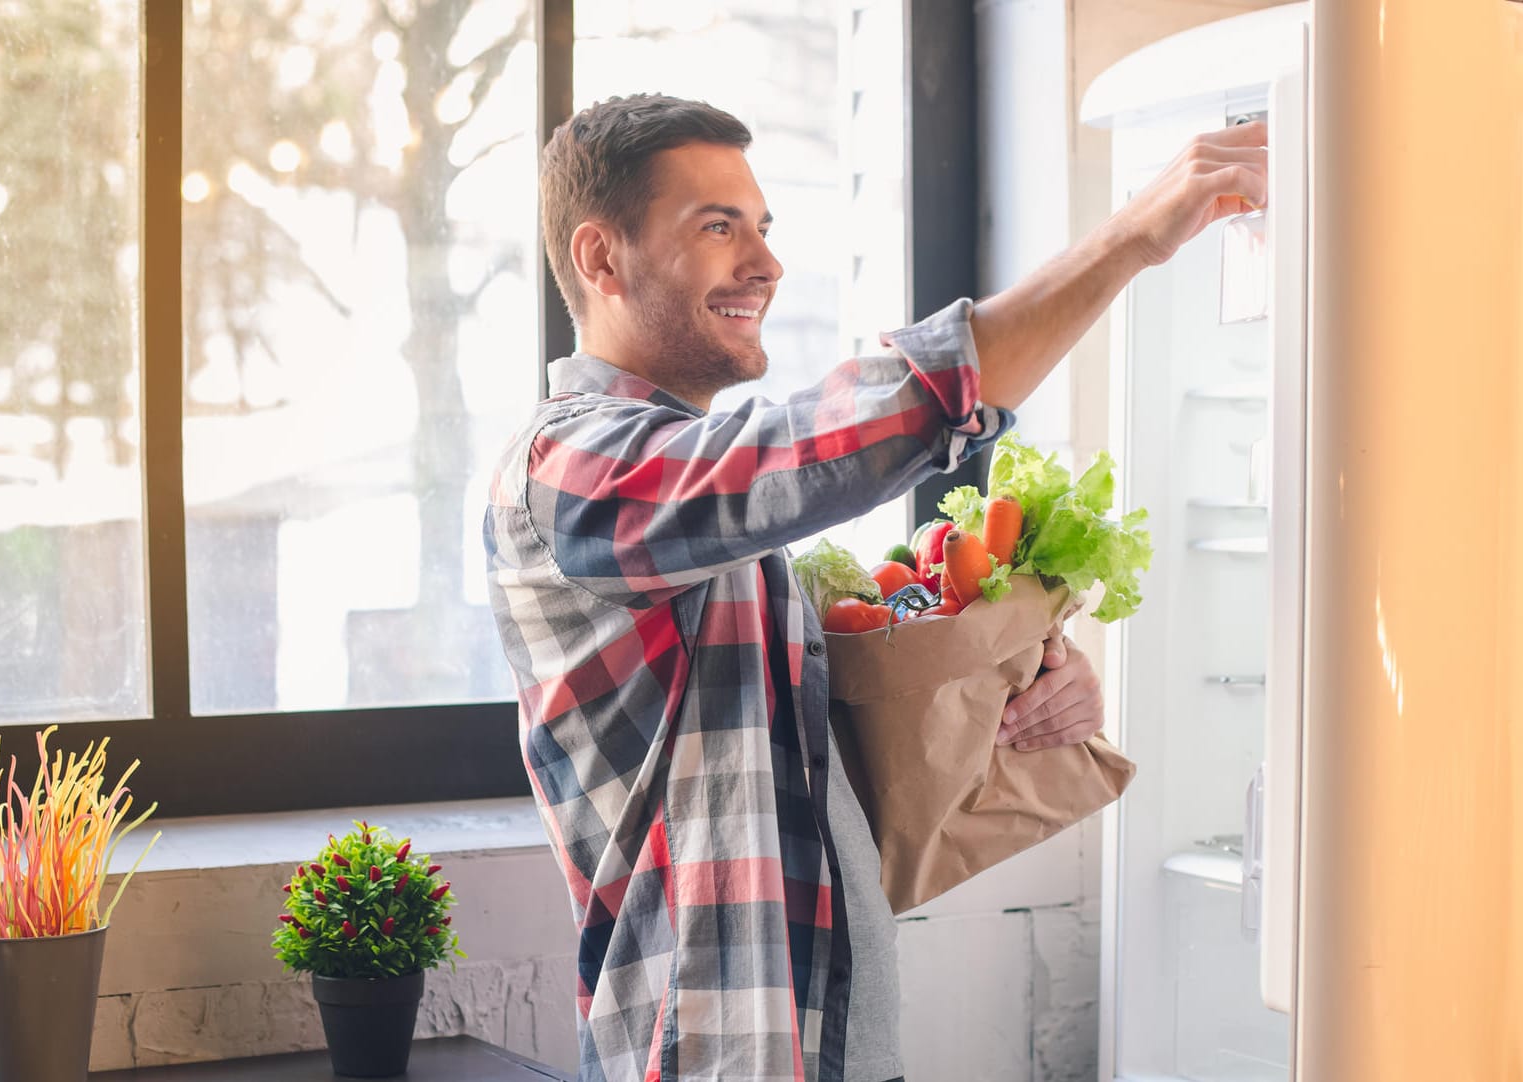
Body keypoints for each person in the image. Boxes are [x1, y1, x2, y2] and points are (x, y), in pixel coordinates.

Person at [483, 93, 1266, 1082]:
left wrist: (1017, 690)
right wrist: (1127, 240)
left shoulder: (689, 507)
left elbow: (824, 770)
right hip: (721, 1057)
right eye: (718, 227)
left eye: (762, 227)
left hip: (830, 1040)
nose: (764, 262)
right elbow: (827, 444)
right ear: (601, 260)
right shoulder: (573, 469)